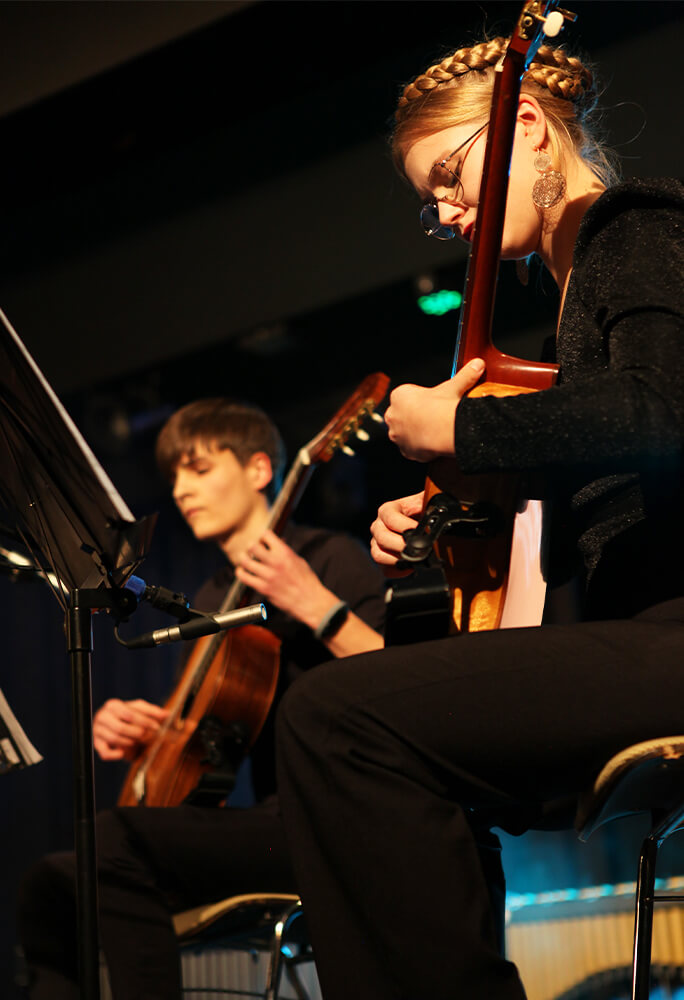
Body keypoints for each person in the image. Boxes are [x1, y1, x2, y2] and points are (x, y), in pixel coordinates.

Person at [274, 34, 684, 1000]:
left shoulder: (633, 229)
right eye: (434, 202)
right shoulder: (568, 304)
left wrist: (459, 425)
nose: (449, 212)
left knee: (339, 718)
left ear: (529, 128)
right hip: (642, 631)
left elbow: (662, 415)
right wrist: (453, 509)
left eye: (453, 177)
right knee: (404, 737)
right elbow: (592, 483)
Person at [17, 397, 386, 1000]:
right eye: (175, 477)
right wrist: (155, 731)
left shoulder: (330, 558)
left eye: (201, 468)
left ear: (261, 471)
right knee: (51, 884)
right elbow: (218, 727)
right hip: (266, 823)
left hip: (332, 822)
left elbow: (402, 678)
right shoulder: (213, 593)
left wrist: (317, 605)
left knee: (114, 838)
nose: (182, 490)